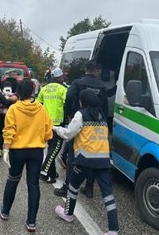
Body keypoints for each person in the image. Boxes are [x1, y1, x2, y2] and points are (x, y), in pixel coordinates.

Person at [53, 89, 119, 235]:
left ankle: (68, 214)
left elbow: (69, 134)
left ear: (82, 101)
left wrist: (55, 128)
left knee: (73, 188)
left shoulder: (80, 114)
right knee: (108, 195)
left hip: (84, 160)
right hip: (103, 160)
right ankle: (113, 230)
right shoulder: (101, 115)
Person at [0, 79, 53, 232]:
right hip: (36, 151)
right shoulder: (41, 109)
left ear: (18, 91)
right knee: (33, 184)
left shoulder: (14, 109)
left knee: (13, 180)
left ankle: (5, 211)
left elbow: (9, 130)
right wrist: (44, 140)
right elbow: (48, 129)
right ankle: (31, 221)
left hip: (18, 150)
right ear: (33, 91)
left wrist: (6, 149)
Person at [54, 60, 108, 198]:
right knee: (93, 154)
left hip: (78, 121)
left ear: (85, 69)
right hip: (97, 124)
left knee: (73, 155)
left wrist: (68, 115)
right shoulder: (102, 86)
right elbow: (106, 108)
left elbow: (69, 98)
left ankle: (67, 187)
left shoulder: (78, 83)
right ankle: (89, 187)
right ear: (96, 71)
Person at [36, 68, 67, 183]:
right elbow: (67, 104)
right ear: (59, 77)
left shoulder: (44, 89)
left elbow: (38, 104)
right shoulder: (63, 89)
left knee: (50, 147)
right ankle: (44, 171)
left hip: (45, 123)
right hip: (58, 124)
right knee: (55, 149)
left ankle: (52, 173)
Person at [0, 80, 18, 157]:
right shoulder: (14, 96)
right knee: (11, 132)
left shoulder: (0, 95)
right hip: (11, 118)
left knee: (1, 132)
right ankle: (10, 149)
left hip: (1, 116)